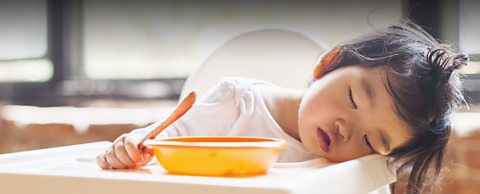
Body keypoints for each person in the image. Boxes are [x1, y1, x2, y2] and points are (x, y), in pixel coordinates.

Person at [96, 21, 468, 194]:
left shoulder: (361, 171)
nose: (346, 130)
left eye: (371, 140)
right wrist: (136, 147)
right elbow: (165, 143)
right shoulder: (236, 103)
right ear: (329, 63)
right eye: (354, 99)